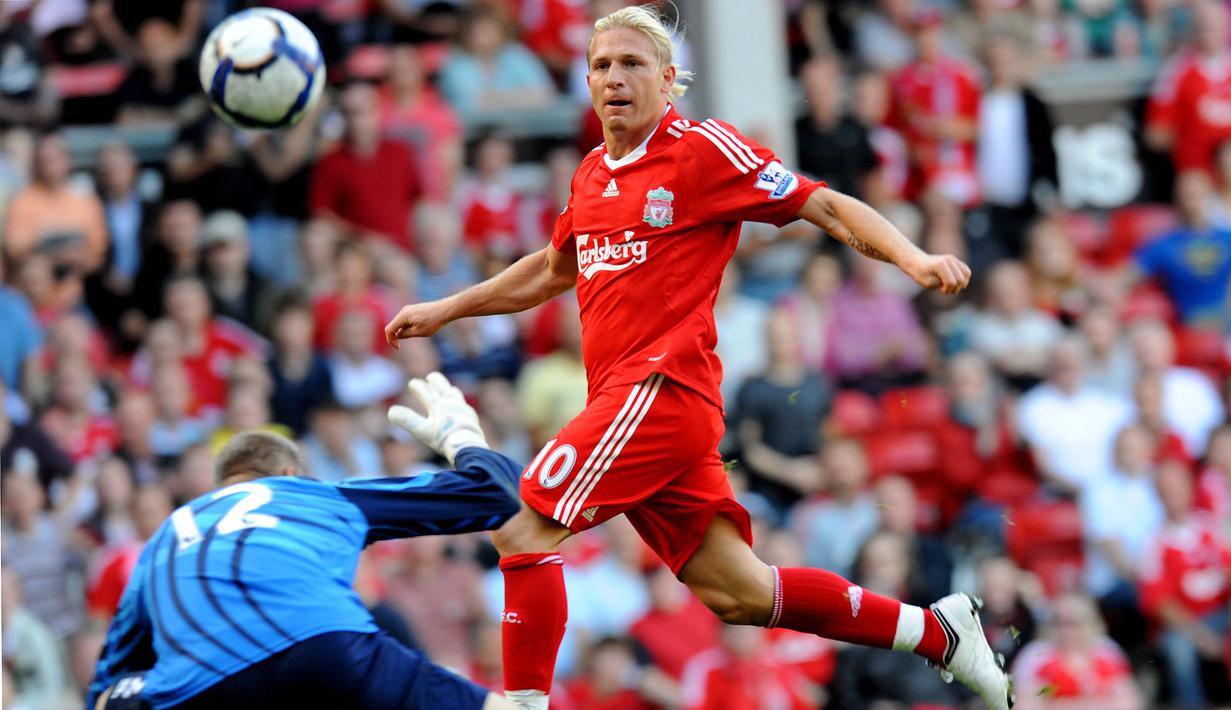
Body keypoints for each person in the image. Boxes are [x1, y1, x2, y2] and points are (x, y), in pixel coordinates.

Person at [384, 7, 1011, 710]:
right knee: (740, 593)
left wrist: (912, 257)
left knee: (523, 526)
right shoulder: (592, 172)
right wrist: (449, 308)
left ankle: (523, 704)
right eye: (600, 65)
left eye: (631, 64)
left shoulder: (702, 150)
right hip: (629, 407)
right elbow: (554, 269)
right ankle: (939, 634)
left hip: (660, 391)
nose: (614, 78)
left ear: (669, 81)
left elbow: (821, 205)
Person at [89, 373, 522, 710]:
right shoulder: (313, 495)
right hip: (325, 643)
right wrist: (461, 439)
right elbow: (497, 492)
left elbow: (106, 680)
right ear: (292, 474)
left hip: (203, 682)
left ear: (218, 489)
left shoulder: (166, 536)